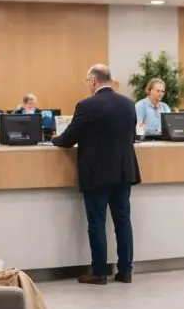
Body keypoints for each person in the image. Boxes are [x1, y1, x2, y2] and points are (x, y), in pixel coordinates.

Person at [52, 64, 140, 285]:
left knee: (97, 222)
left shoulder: (86, 105)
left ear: (93, 81)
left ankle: (99, 272)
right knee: (123, 221)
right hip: (123, 171)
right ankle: (125, 271)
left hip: (96, 173)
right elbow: (131, 136)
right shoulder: (128, 104)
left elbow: (67, 139)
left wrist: (53, 138)